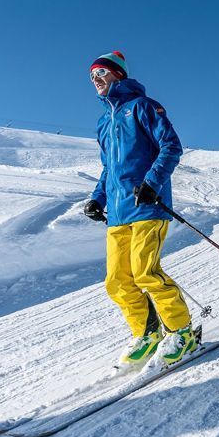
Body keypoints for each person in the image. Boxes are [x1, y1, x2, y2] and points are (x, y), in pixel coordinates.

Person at [83, 51, 196, 367]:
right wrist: (98, 199)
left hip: (148, 207)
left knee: (145, 272)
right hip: (118, 215)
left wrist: (152, 183)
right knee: (117, 281)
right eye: (92, 76)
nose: (96, 80)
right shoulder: (104, 123)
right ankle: (147, 334)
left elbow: (171, 146)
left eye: (101, 73)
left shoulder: (144, 107)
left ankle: (181, 331)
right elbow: (109, 169)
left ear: (117, 74)